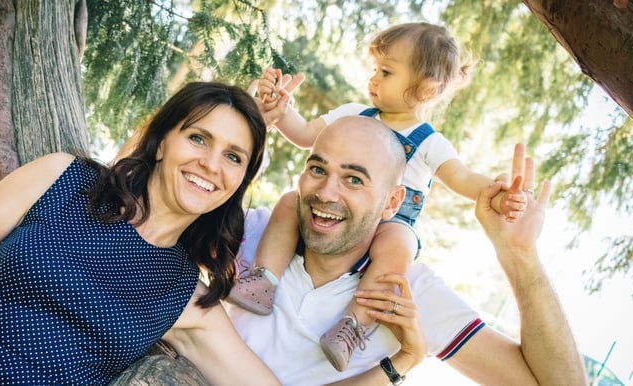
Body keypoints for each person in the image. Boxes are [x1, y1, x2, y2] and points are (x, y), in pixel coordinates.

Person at [0, 82, 281, 386]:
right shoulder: (62, 180)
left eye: (233, 156)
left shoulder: (185, 296)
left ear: (241, 178)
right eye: (198, 138)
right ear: (161, 143)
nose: (211, 164)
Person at [227, 22, 527, 371]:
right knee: (287, 203)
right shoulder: (353, 113)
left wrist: (495, 193)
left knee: (399, 246)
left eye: (386, 72)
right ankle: (264, 279)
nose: (373, 79)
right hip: (351, 219)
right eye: (375, 69)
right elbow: (305, 134)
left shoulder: (428, 141)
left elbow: (460, 178)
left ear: (426, 90)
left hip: (393, 222)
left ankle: (352, 325)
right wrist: (280, 108)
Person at [226, 115, 586, 385]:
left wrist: (520, 255)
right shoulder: (256, 231)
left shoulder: (405, 294)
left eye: (354, 179)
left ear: (392, 202)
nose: (327, 192)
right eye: (317, 168)